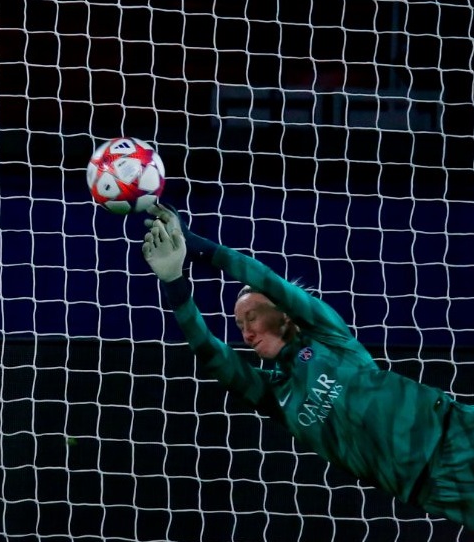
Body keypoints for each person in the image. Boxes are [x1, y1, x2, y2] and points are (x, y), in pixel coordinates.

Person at [140, 203, 473, 530]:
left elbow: (267, 281)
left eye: (252, 317)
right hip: (433, 490)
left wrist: (197, 245)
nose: (247, 332)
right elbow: (212, 354)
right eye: (240, 325)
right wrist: (174, 282)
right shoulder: (275, 395)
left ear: (284, 312)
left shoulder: (327, 337)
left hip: (454, 433)